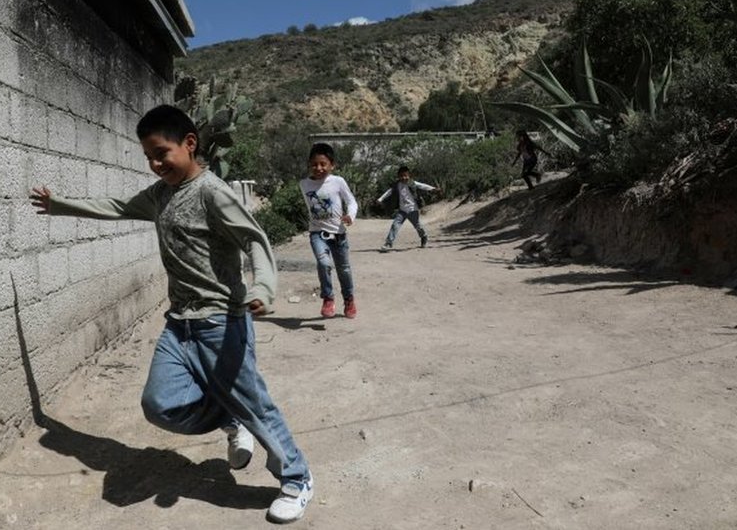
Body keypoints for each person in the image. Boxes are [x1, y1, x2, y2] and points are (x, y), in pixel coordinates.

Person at [29, 105, 313, 524]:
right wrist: (61, 206)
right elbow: (118, 207)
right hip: (179, 324)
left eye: (162, 153)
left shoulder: (212, 193)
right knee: (158, 405)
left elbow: (255, 239)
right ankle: (229, 414)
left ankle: (296, 478)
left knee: (258, 406)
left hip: (221, 322)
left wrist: (264, 287)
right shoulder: (159, 195)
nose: (155, 163)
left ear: (190, 144)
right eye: (148, 156)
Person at [298, 142, 359, 319]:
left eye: (323, 164)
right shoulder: (304, 184)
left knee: (344, 270)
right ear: (309, 164)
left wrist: (350, 216)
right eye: (314, 164)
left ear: (332, 165)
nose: (319, 168)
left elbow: (352, 202)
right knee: (324, 263)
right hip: (317, 233)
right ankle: (328, 298)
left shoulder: (338, 182)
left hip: (339, 234)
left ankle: (349, 299)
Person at [376, 166, 438, 252]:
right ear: (398, 176)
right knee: (395, 225)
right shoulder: (397, 185)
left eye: (405, 176)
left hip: (413, 210)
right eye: (401, 176)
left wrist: (433, 189)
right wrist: (380, 199)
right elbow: (389, 192)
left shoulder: (413, 183)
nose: (403, 178)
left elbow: (422, 186)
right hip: (402, 211)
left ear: (409, 176)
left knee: (418, 226)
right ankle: (388, 243)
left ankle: (424, 236)